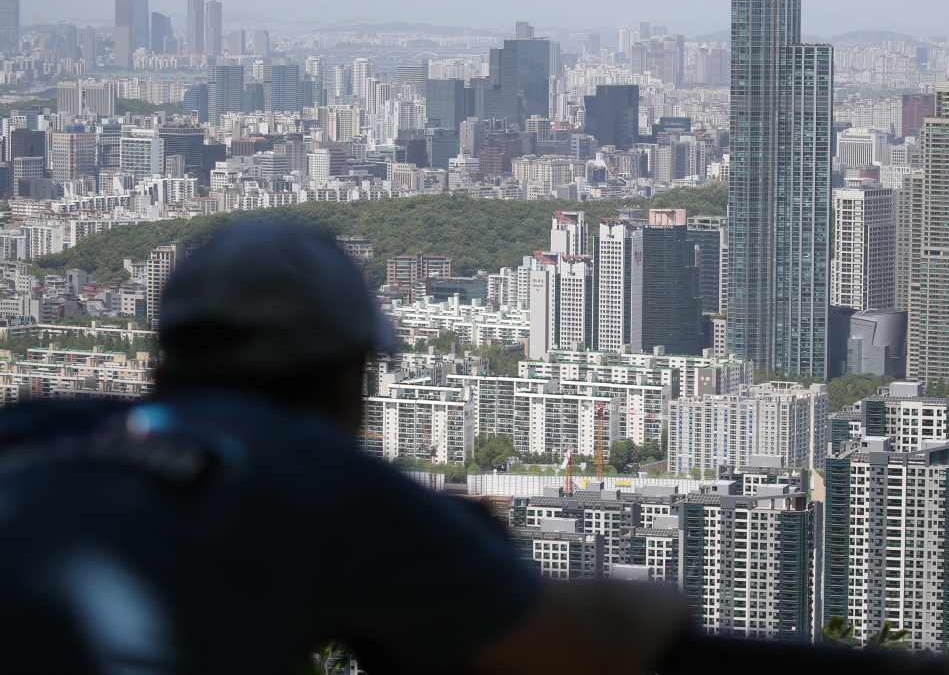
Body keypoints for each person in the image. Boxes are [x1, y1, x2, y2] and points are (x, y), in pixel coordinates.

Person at [0, 224, 689, 675]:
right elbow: (581, 649)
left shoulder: (34, 428)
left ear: (159, 373)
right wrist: (663, 606)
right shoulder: (311, 475)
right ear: (346, 380)